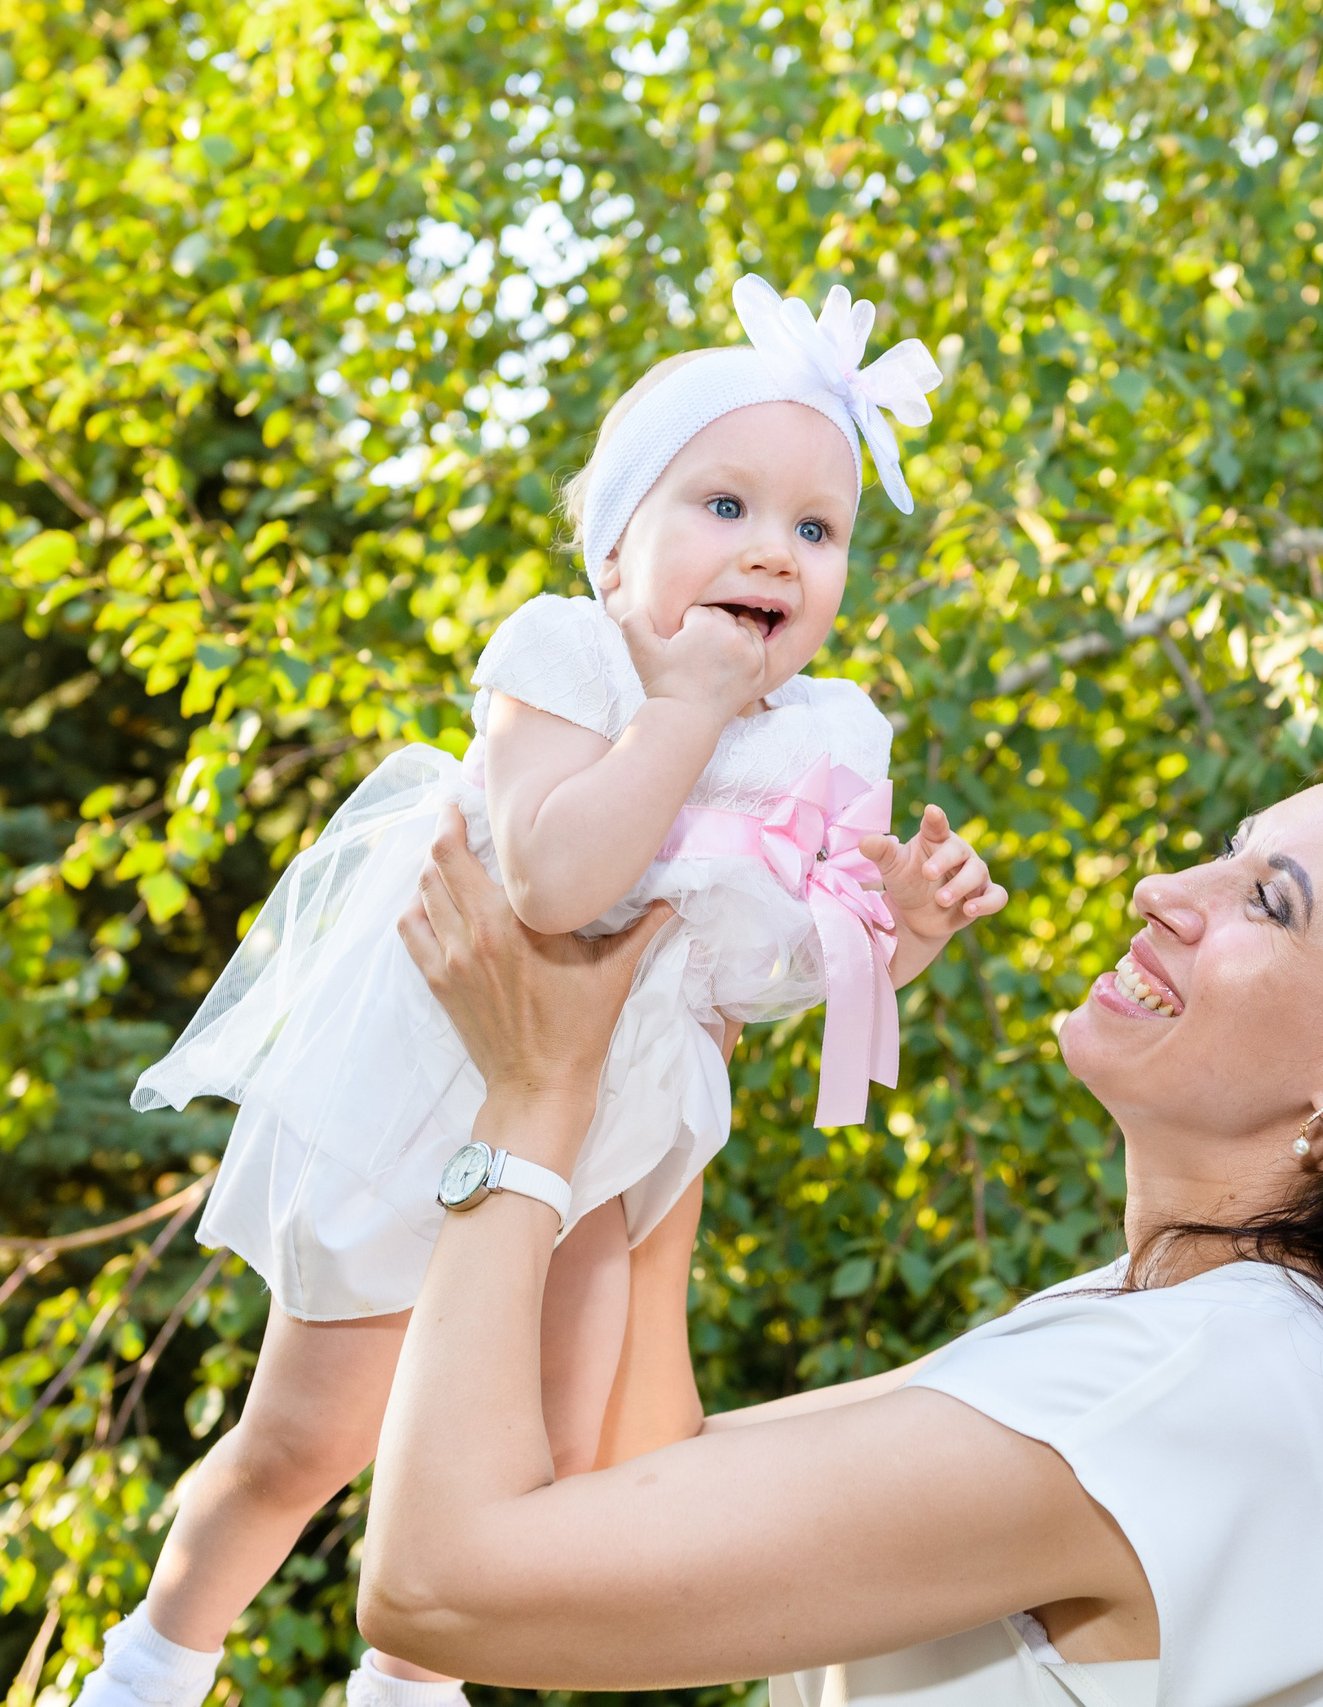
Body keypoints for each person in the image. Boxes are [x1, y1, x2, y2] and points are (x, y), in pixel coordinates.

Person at [78, 273, 1009, 1707]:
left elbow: (738, 980)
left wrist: (885, 940)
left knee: (555, 1460)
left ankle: (409, 1676)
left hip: (615, 1127)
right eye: (726, 507)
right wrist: (686, 710)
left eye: (816, 531)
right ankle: (153, 1662)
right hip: (442, 1085)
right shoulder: (567, 656)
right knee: (311, 1442)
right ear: (618, 543)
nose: (774, 552)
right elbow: (552, 886)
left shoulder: (821, 730)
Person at [361, 756, 1323, 1707]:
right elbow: (634, 1479)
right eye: (1228, 843)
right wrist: (683, 1033)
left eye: (1268, 901)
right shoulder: (1199, 1334)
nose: (1164, 888)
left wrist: (531, 1102)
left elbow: (439, 1586)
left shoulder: (1199, 1383)